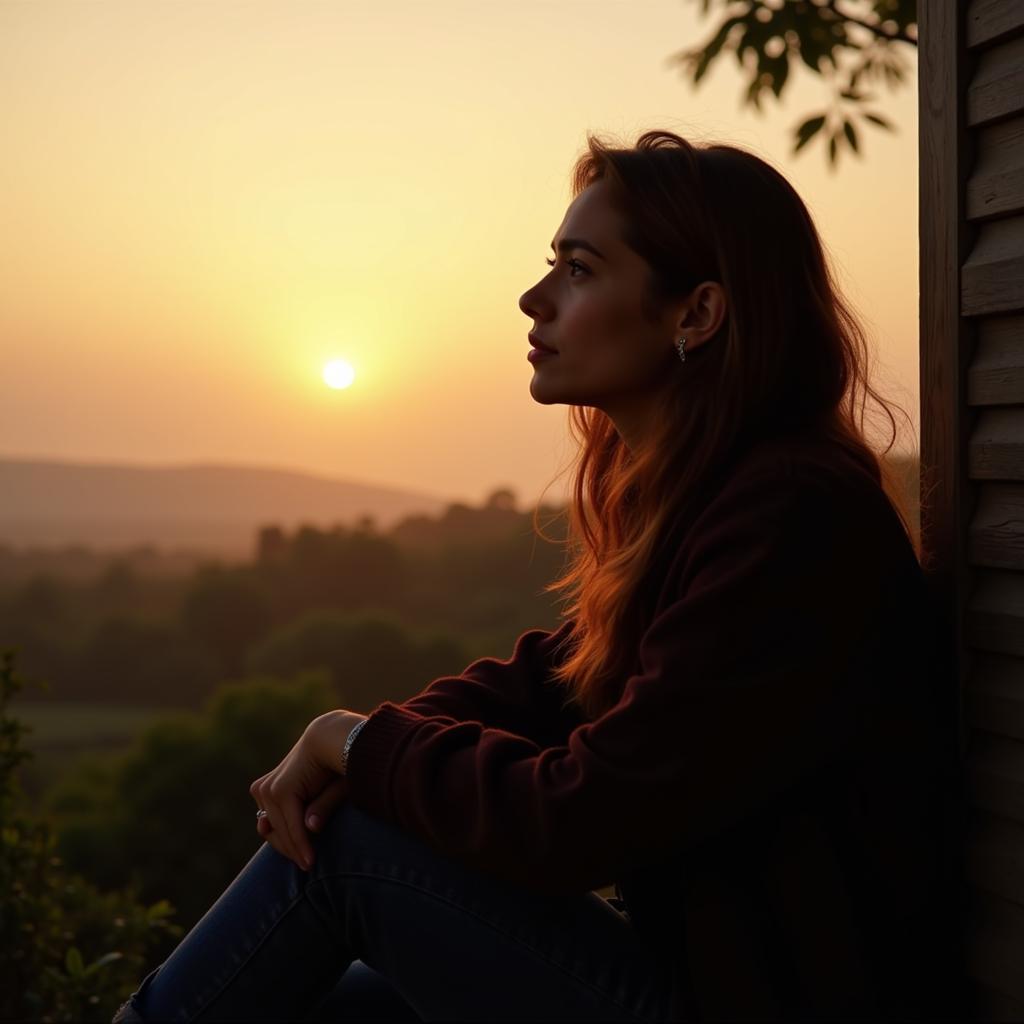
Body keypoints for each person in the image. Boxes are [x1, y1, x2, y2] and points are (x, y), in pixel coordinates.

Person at [113, 129, 963, 1022]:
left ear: (697, 314)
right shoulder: (710, 502)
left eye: (581, 270)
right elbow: (550, 684)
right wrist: (370, 743)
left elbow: (577, 820)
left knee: (354, 851)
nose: (533, 299)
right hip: (695, 977)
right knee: (318, 998)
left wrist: (356, 747)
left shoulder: (792, 520)